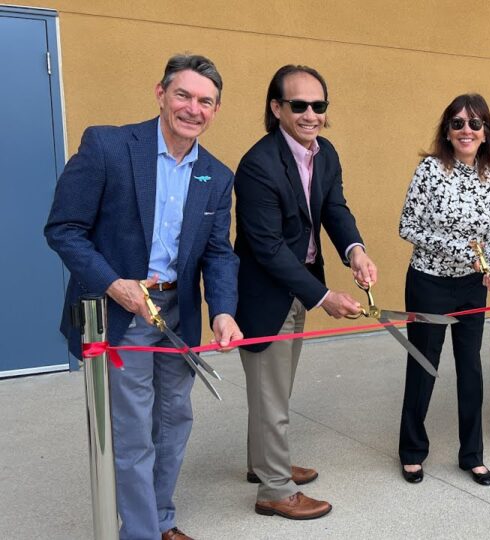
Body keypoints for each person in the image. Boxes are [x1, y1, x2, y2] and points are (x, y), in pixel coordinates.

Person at [45, 54, 242, 540]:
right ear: (160, 93)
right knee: (133, 431)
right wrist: (114, 283)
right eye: (183, 95)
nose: (193, 109)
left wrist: (223, 311)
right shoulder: (108, 146)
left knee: (174, 421)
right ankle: (141, 532)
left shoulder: (215, 175)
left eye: (205, 101)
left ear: (216, 110)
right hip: (122, 311)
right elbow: (64, 229)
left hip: (177, 314)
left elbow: (219, 253)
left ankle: (159, 518)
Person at [233, 64, 378, 520]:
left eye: (319, 105)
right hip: (265, 293)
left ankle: (264, 464)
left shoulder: (325, 153)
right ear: (276, 108)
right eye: (299, 105)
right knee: (271, 395)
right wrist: (323, 296)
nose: (311, 114)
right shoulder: (257, 166)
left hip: (300, 286)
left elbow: (335, 208)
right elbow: (268, 248)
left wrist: (356, 251)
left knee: (274, 389)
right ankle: (275, 490)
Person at [397, 94, 490, 486]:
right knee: (424, 365)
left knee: (470, 368)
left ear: (485, 132)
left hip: (472, 286)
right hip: (429, 282)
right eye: (458, 123)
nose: (466, 130)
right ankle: (412, 451)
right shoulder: (430, 169)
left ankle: (472, 455)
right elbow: (407, 226)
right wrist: (462, 252)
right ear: (447, 130)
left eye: (475, 124)